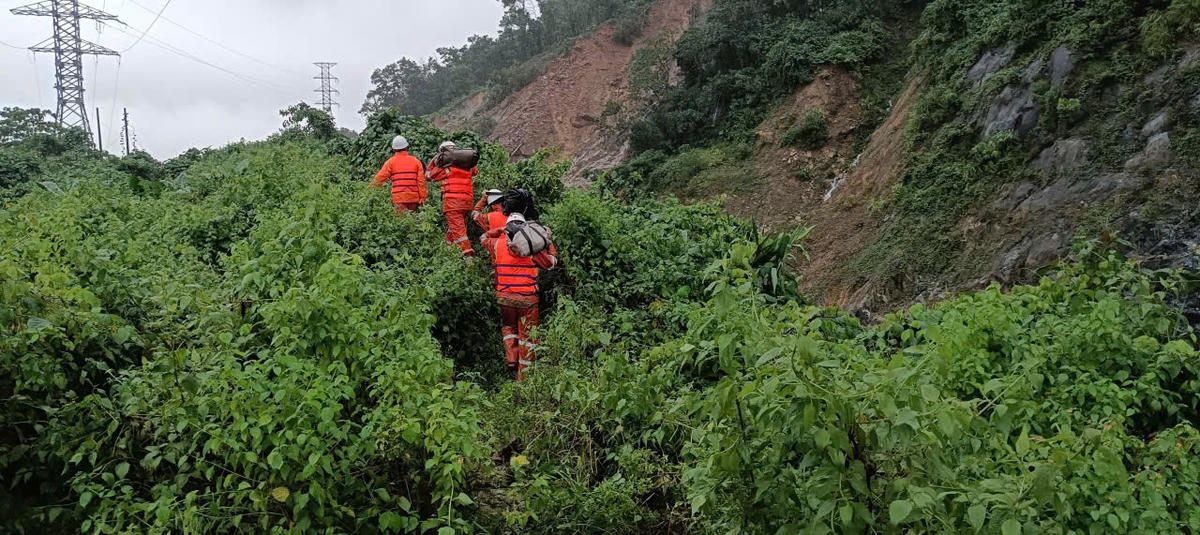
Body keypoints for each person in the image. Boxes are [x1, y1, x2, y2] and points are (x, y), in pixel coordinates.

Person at [481, 212, 558, 381]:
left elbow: (483, 237)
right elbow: (552, 263)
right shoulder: (533, 249)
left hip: (505, 298)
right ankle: (523, 377)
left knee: (509, 327)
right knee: (527, 337)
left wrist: (499, 230)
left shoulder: (497, 245)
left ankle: (511, 359)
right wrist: (549, 241)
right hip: (528, 300)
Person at [427, 141, 478, 256]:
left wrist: (433, 161)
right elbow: (475, 171)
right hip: (467, 202)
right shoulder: (467, 167)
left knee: (459, 231)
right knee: (454, 227)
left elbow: (428, 176)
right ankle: (449, 251)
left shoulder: (444, 169)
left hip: (452, 203)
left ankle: (468, 255)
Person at [369, 135, 426, 213]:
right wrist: (423, 197)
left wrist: (369, 191)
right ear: (407, 147)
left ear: (394, 149)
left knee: (400, 222)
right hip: (413, 198)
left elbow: (380, 178)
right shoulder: (416, 161)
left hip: (399, 198)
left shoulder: (390, 162)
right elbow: (421, 182)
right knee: (412, 221)